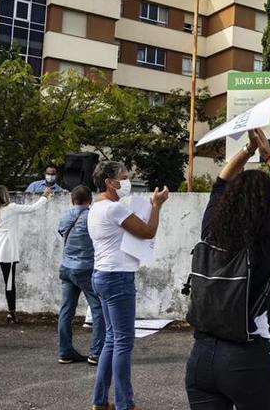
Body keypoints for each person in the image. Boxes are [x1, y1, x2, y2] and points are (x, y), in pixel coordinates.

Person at [185, 128, 270, 410]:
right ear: (266, 203)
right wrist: (269, 155)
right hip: (246, 357)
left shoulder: (211, 229)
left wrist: (247, 151)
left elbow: (219, 183)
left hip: (200, 355)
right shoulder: (266, 237)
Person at [88, 162, 169, 410]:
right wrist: (156, 206)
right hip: (118, 277)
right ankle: (125, 404)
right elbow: (147, 231)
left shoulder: (96, 207)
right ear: (109, 182)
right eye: (123, 177)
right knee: (123, 341)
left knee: (111, 339)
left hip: (102, 274)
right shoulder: (113, 209)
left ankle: (100, 401)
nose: (127, 181)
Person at [0, 184, 52, 326]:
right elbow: (32, 208)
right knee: (9, 282)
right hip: (6, 248)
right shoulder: (11, 208)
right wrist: (44, 196)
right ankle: (11, 313)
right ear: (4, 196)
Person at [57, 185, 104, 366]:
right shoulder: (91, 217)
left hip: (66, 267)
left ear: (72, 199)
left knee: (66, 311)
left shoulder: (65, 216)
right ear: (90, 200)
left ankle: (65, 351)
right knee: (98, 308)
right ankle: (96, 353)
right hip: (86, 267)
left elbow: (62, 232)